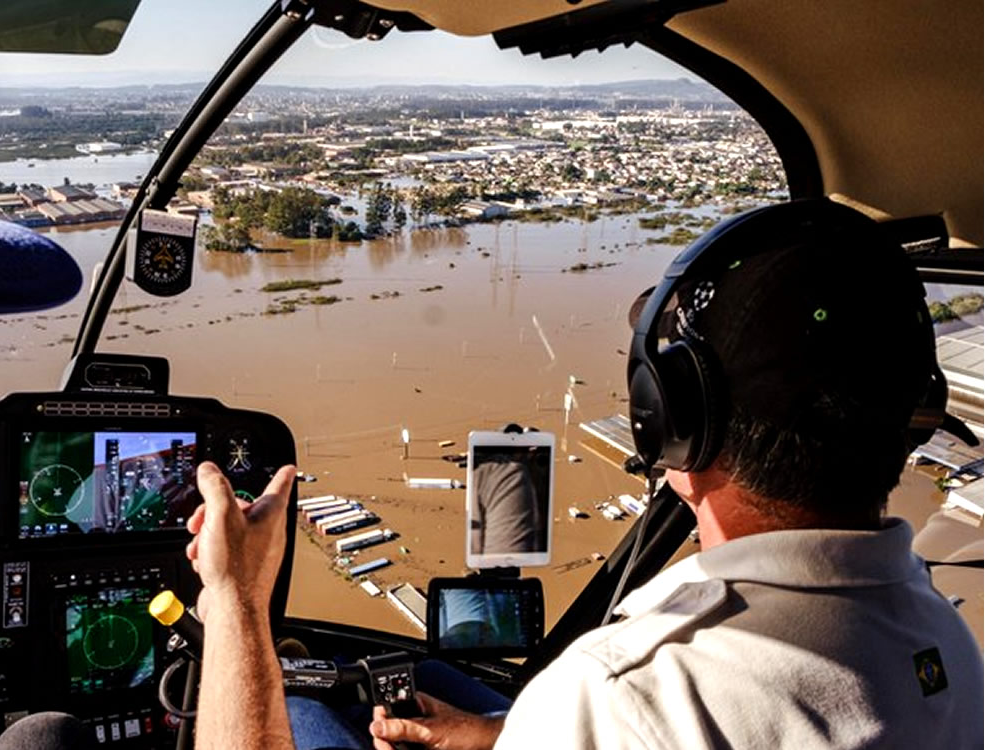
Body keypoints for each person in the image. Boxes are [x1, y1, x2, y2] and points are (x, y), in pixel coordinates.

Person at [186, 199, 984, 750]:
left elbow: (635, 722)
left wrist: (234, 599)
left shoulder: (634, 689)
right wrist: (509, 738)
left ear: (667, 421)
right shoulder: (940, 635)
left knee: (300, 700)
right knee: (426, 681)